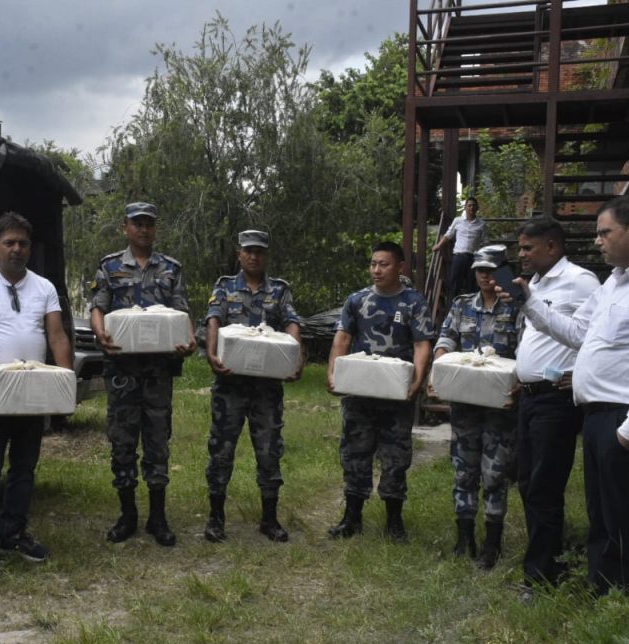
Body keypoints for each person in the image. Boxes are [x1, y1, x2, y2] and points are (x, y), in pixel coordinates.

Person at [502, 196, 629, 594]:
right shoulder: (614, 283)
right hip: (596, 416)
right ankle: (601, 594)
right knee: (603, 517)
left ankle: (625, 606)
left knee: (625, 518)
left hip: (627, 419)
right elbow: (578, 333)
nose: (597, 242)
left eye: (604, 232)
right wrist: (532, 304)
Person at [0, 211, 73, 580]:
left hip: (32, 392)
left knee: (24, 469)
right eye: (9, 243)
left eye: (23, 243)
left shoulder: (44, 287)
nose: (17, 249)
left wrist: (65, 383)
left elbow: (56, 335)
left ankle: (13, 533)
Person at [89, 202, 197, 546]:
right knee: (122, 441)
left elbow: (181, 310)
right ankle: (127, 515)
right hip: (122, 369)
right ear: (126, 228)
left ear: (155, 228)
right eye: (138, 224)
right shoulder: (109, 266)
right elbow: (98, 307)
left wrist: (189, 338)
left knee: (157, 440)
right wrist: (99, 333)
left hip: (158, 370)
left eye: (149, 224)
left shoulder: (171, 268)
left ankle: (158, 517)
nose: (144, 229)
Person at [326, 241, 436, 541]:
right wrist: (333, 373)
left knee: (395, 457)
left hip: (395, 394)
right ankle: (352, 518)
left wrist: (417, 380)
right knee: (354, 453)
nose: (376, 269)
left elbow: (422, 343)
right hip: (360, 393)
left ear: (399, 268)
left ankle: (394, 521)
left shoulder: (414, 303)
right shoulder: (357, 300)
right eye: (373, 263)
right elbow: (343, 337)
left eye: (383, 264)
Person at [514, 217, 600, 590]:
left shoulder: (581, 282)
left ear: (552, 246)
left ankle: (541, 575)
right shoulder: (533, 283)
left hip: (556, 400)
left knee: (544, 485)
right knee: (525, 481)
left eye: (527, 248)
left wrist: (578, 371)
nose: (522, 255)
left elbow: (590, 336)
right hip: (530, 397)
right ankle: (549, 556)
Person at [203, 230, 303, 543]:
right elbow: (213, 319)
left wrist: (295, 356)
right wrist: (211, 351)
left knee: (269, 452)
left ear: (266, 255)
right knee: (221, 451)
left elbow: (292, 323)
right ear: (239, 254)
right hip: (230, 385)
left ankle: (269, 519)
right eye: (248, 251)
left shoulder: (280, 290)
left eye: (259, 251)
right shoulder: (224, 286)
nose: (254, 256)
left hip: (266, 389)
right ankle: (216, 518)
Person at [430, 245, 522, 569]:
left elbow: (526, 353)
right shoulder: (461, 305)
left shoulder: (516, 309)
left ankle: (492, 545)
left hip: (500, 408)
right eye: (480, 270)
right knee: (463, 470)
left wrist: (520, 385)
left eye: (492, 270)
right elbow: (446, 340)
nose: (485, 276)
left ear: (504, 271)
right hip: (466, 403)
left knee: (494, 474)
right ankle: (464, 537)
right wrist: (437, 370)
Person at [433, 197, 487, 301]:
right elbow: (449, 235)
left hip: (473, 258)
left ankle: (471, 310)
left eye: (473, 205)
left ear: (477, 208)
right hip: (458, 257)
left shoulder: (482, 224)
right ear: (465, 207)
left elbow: (485, 242)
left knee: (472, 286)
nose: (471, 207)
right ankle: (451, 309)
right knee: (454, 284)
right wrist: (439, 245)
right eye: (469, 205)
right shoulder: (457, 221)